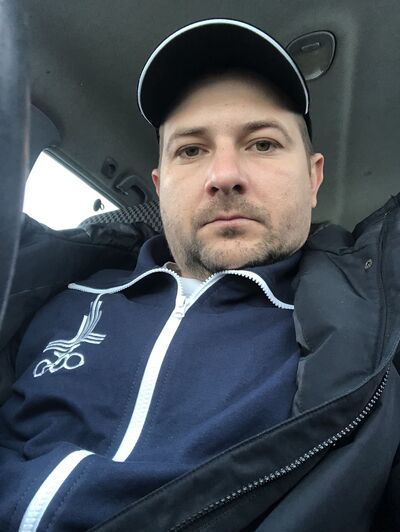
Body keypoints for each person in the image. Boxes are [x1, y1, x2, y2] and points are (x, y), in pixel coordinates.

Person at [0, 18, 399, 532]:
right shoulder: (54, 291)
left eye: (263, 144)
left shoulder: (368, 339)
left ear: (313, 176)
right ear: (160, 185)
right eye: (191, 150)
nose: (225, 175)